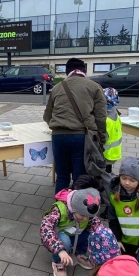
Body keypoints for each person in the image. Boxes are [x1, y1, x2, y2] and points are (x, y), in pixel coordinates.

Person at [43, 57, 107, 193]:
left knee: (62, 176)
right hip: (82, 138)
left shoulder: (57, 87)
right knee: (80, 178)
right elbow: (101, 118)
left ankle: (60, 209)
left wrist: (59, 125)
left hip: (58, 137)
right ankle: (77, 211)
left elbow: (47, 116)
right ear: (84, 71)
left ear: (68, 72)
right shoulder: (94, 87)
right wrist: (102, 138)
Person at [40, 185, 110, 276]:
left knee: (92, 234)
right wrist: (60, 250)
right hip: (59, 237)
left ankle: (79, 253)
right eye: (82, 215)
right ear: (74, 208)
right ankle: (58, 261)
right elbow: (46, 229)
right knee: (65, 240)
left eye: (88, 216)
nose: (85, 219)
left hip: (75, 234)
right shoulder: (59, 210)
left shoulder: (86, 213)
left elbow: (99, 227)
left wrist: (109, 243)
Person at [108, 157, 139, 257]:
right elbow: (113, 220)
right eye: (123, 178)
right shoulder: (113, 195)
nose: (127, 183)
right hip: (122, 242)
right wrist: (117, 240)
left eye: (132, 180)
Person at [102, 87, 122, 170]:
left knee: (103, 175)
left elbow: (102, 138)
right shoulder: (116, 115)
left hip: (105, 155)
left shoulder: (105, 120)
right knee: (108, 172)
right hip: (115, 153)